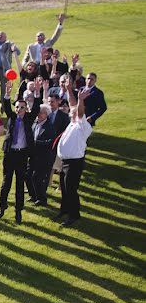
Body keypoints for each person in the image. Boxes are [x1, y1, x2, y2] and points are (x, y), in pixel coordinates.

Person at [0, 79, 41, 224]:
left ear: (25, 108)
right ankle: (2, 207)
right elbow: (7, 107)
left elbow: (36, 109)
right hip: (10, 154)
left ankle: (18, 211)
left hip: (22, 154)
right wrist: (7, 94)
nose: (19, 109)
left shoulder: (28, 118)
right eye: (17, 107)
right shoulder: (12, 117)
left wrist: (38, 92)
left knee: (19, 183)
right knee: (6, 182)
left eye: (22, 107)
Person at [56, 87, 93, 227]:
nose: (72, 109)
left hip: (74, 163)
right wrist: (69, 90)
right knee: (64, 188)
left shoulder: (82, 125)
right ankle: (64, 210)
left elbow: (79, 110)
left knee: (70, 188)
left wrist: (81, 99)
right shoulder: (72, 123)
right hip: (64, 162)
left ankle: (74, 215)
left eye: (75, 110)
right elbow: (72, 104)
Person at [28, 96, 58, 208]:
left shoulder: (50, 126)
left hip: (43, 156)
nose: (39, 114)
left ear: (47, 114)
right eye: (38, 112)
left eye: (41, 113)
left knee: (37, 177)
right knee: (28, 175)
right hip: (33, 155)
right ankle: (34, 196)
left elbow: (51, 142)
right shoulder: (34, 124)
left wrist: (37, 142)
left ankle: (41, 199)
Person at [0, 15, 20, 103]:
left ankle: (3, 105)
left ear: (5, 37)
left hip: (6, 71)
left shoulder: (9, 44)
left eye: (1, 36)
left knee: (4, 88)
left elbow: (19, 52)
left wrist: (14, 48)